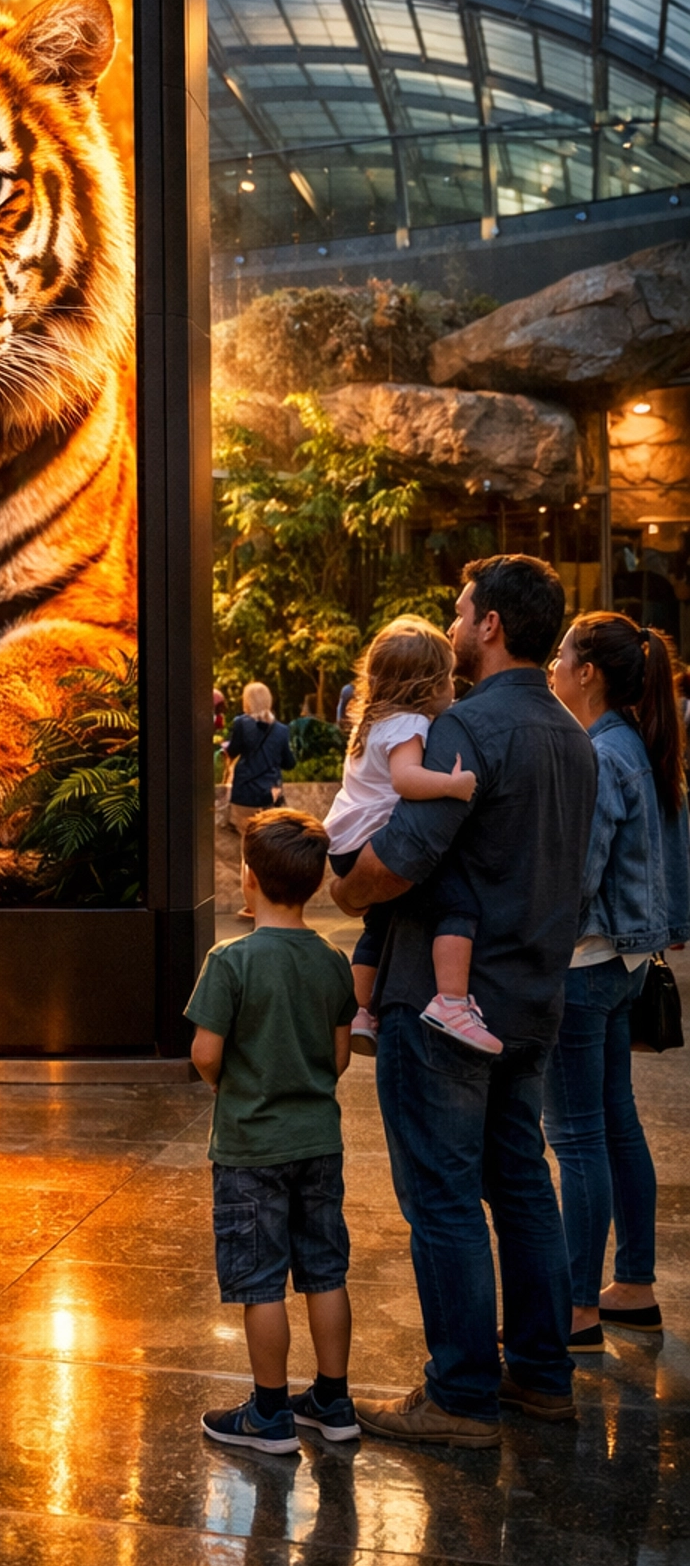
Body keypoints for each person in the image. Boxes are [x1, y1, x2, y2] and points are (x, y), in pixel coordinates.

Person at [331, 555, 597, 1449]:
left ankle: (461, 1394)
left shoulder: (466, 730)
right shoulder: (572, 733)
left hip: (443, 1004)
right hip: (534, 995)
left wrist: (345, 891)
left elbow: (397, 859)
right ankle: (541, 1376)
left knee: (442, 1196)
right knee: (520, 1183)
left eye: (460, 608)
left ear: (490, 626)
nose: (452, 621)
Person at [187, 810, 358, 1454]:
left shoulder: (230, 961)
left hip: (250, 1147)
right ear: (314, 886)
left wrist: (229, 1088)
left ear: (249, 879)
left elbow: (206, 1053)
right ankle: (333, 1401)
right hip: (319, 1141)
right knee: (324, 1271)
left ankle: (268, 1414)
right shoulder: (331, 960)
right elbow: (339, 1057)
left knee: (262, 1281)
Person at [544, 613, 689, 1348]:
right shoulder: (642, 746)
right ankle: (631, 1285)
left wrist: (538, 942)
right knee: (615, 1123)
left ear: (589, 672)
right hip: (627, 961)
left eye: (563, 656)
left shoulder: (601, 753)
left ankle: (575, 1306)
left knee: (576, 1138)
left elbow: (581, 871)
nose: (554, 666)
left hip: (585, 964)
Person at [325, 617, 488, 1057]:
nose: (452, 688)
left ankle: (360, 1010)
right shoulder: (409, 724)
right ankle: (451, 1001)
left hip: (345, 844)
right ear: (425, 684)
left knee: (378, 924)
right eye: (447, 679)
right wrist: (453, 786)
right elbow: (406, 780)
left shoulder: (373, 720)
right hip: (371, 842)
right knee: (457, 902)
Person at [224, 682, 295, 837]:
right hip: (270, 794)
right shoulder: (282, 730)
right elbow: (289, 763)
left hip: (244, 793)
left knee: (246, 840)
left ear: (247, 701)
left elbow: (232, 751)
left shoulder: (241, 724)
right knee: (267, 841)